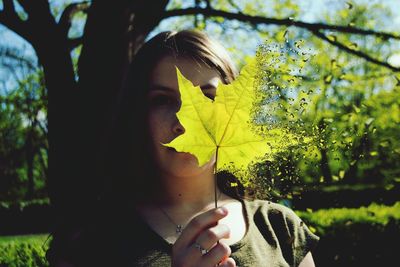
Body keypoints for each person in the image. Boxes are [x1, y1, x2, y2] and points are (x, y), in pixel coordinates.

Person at [46, 30, 319, 267]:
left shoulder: (280, 227)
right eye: (163, 100)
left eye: (208, 97)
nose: (184, 123)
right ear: (137, 114)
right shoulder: (90, 242)